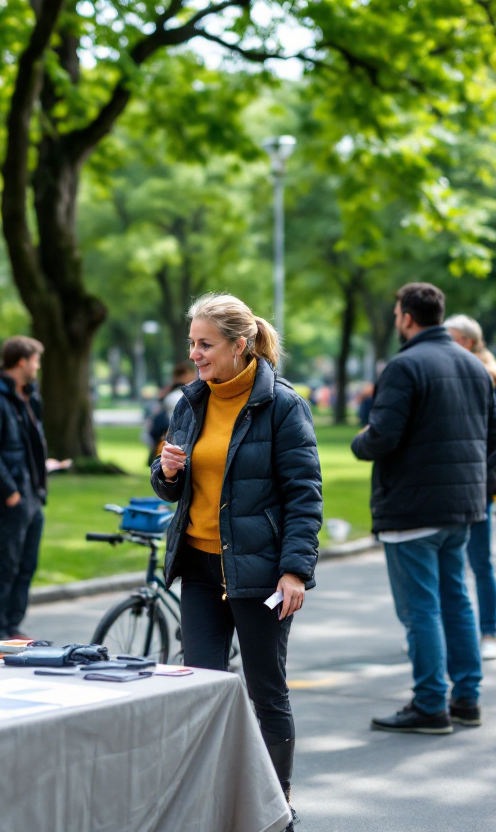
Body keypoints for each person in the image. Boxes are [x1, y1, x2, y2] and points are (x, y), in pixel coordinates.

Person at [152, 293, 321, 827]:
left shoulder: (282, 406)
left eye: (205, 344)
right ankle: (210, 802)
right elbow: (169, 487)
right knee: (199, 688)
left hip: (258, 572)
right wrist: (168, 472)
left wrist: (295, 570)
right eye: (192, 343)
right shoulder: (191, 401)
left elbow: (304, 493)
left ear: (239, 345)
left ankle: (275, 808)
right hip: (201, 570)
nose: (195, 354)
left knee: (266, 692)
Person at [352, 283, 496, 735]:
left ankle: (431, 703)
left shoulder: (404, 365)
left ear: (407, 318)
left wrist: (360, 442)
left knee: (422, 609)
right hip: (462, 508)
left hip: (412, 507)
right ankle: (467, 699)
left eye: (397, 312)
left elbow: (383, 436)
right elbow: (493, 438)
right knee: (455, 601)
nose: (397, 319)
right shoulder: (475, 366)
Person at [444, 315, 496, 661]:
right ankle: (447, 630)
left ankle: (489, 632)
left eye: (452, 337)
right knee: (448, 562)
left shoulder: (493, 378)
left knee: (480, 561)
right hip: (447, 485)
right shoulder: (446, 373)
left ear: (469, 342)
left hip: (477, 484)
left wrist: (471, 466)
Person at [0, 336, 49, 640]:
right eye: (35, 360)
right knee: (8, 564)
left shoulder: (26, 396)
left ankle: (14, 626)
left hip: (31, 495)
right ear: (21, 362)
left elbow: (27, 444)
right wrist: (10, 491)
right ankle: (0, 630)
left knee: (27, 564)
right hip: (10, 498)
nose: (37, 366)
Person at [144, 361, 197, 465]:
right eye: (192, 373)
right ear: (184, 374)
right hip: (175, 441)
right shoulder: (179, 395)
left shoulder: (166, 393)